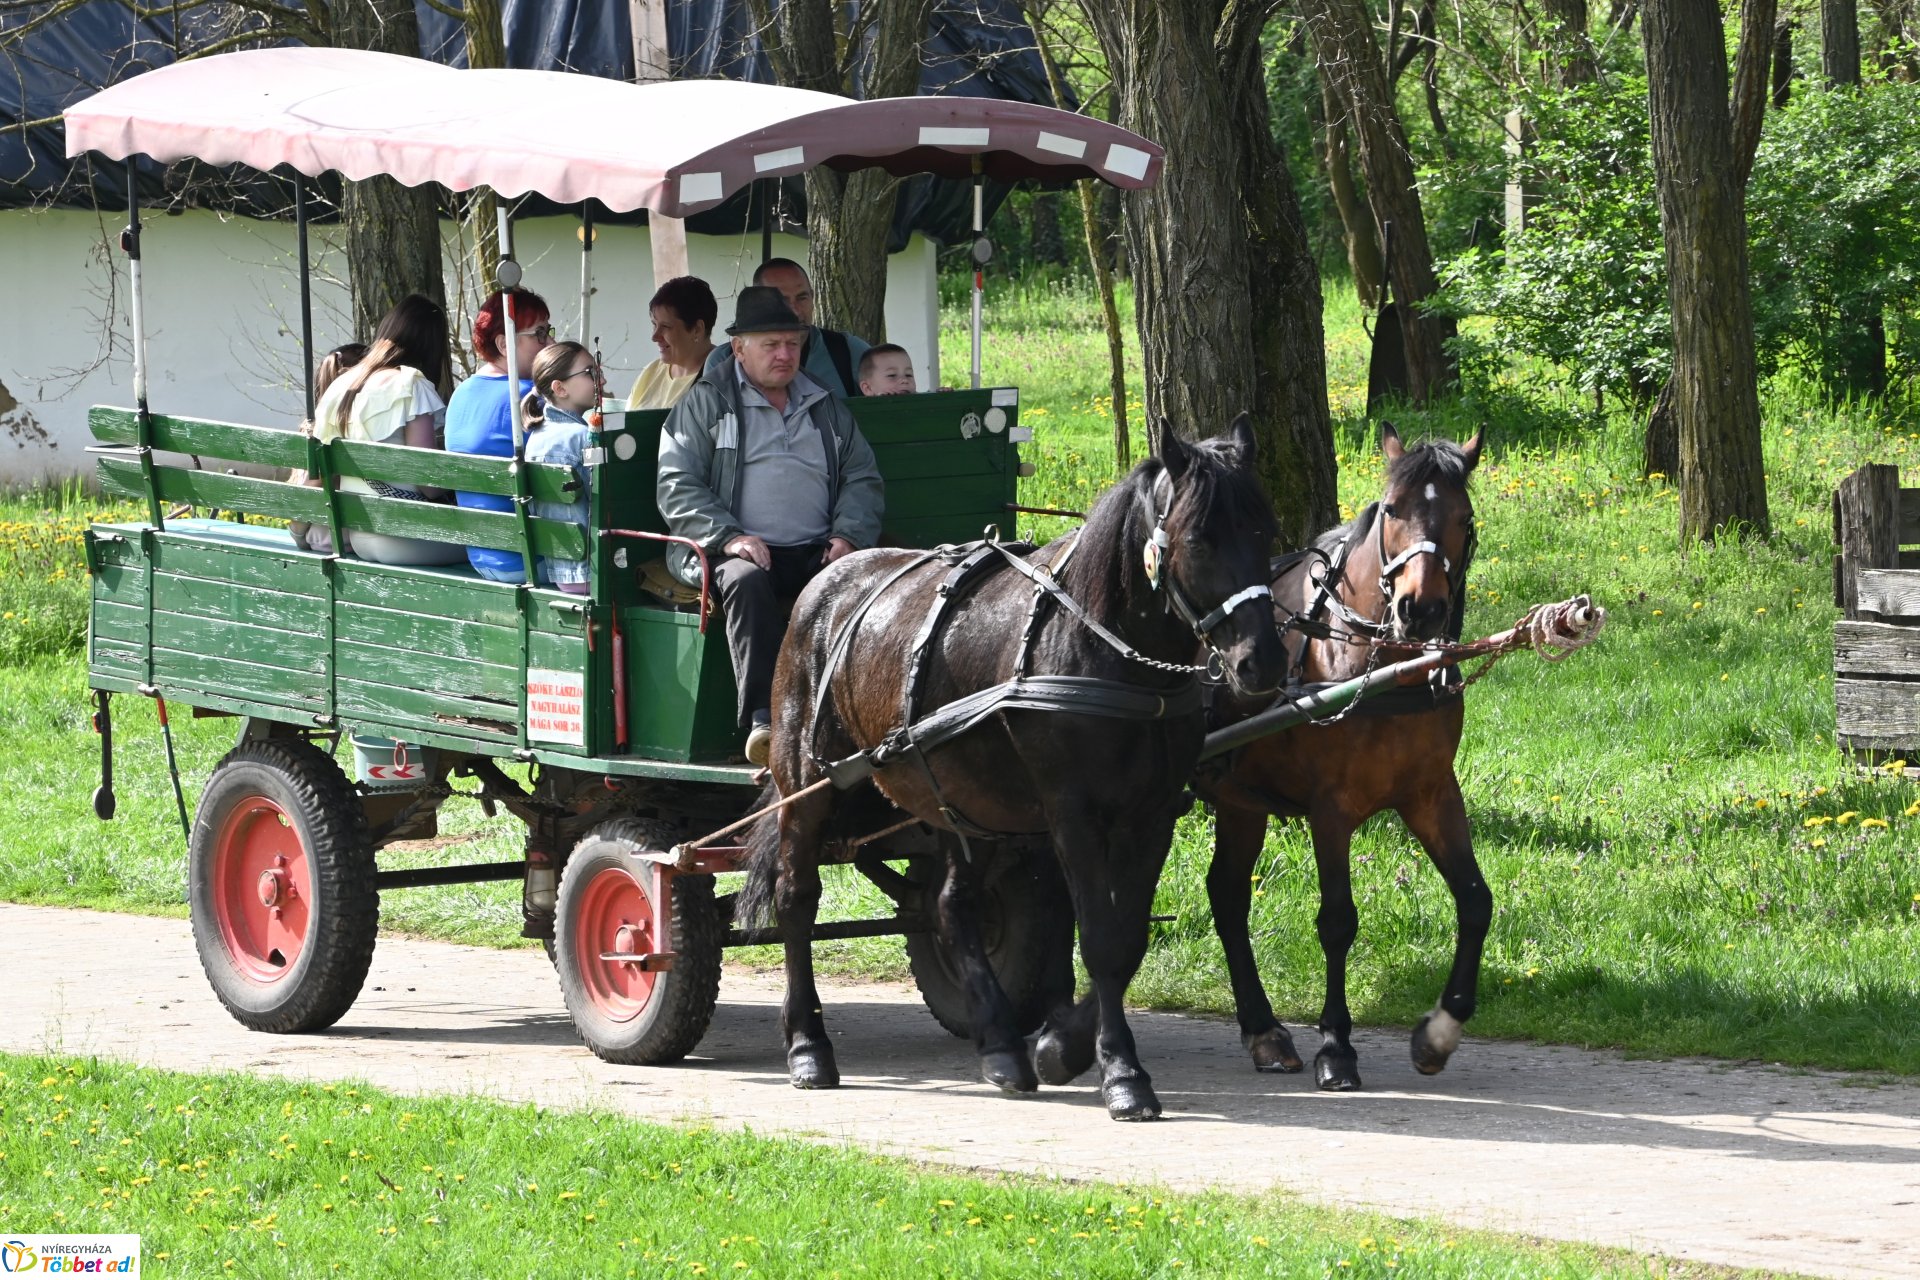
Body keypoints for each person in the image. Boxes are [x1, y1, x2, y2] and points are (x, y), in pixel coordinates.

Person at [658, 286, 885, 765]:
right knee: (745, 582)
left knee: (863, 582)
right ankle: (767, 722)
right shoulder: (706, 401)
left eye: (792, 344)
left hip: (816, 547)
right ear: (739, 349)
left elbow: (861, 476)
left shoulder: (823, 402)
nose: (785, 355)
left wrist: (848, 535)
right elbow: (677, 484)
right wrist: (730, 537)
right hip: (726, 550)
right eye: (771, 345)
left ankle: (853, 714)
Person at [309, 296, 466, 566]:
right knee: (501, 549)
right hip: (406, 539)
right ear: (432, 346)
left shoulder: (343, 385)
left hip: (359, 537)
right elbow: (429, 486)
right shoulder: (410, 385)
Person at [446, 287, 555, 582]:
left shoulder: (461, 393)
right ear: (504, 343)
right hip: (529, 559)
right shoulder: (529, 398)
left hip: (480, 555)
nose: (551, 343)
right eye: (540, 333)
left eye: (549, 331)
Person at [706, 258, 871, 399]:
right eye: (782, 300)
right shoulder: (723, 361)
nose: (795, 311)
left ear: (813, 297)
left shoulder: (847, 351)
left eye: (802, 298)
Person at [522, 341, 600, 595]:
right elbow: (609, 503)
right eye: (590, 373)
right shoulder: (584, 438)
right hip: (593, 572)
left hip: (560, 571)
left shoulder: (537, 436)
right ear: (560, 388)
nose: (602, 379)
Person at [286, 341, 367, 553]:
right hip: (348, 539)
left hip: (317, 537)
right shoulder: (352, 431)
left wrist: (297, 534)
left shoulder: (311, 428)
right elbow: (316, 482)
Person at [626, 276, 717, 410]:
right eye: (654, 324)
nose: (654, 337)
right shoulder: (650, 373)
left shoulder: (720, 379)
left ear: (697, 329)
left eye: (666, 326)